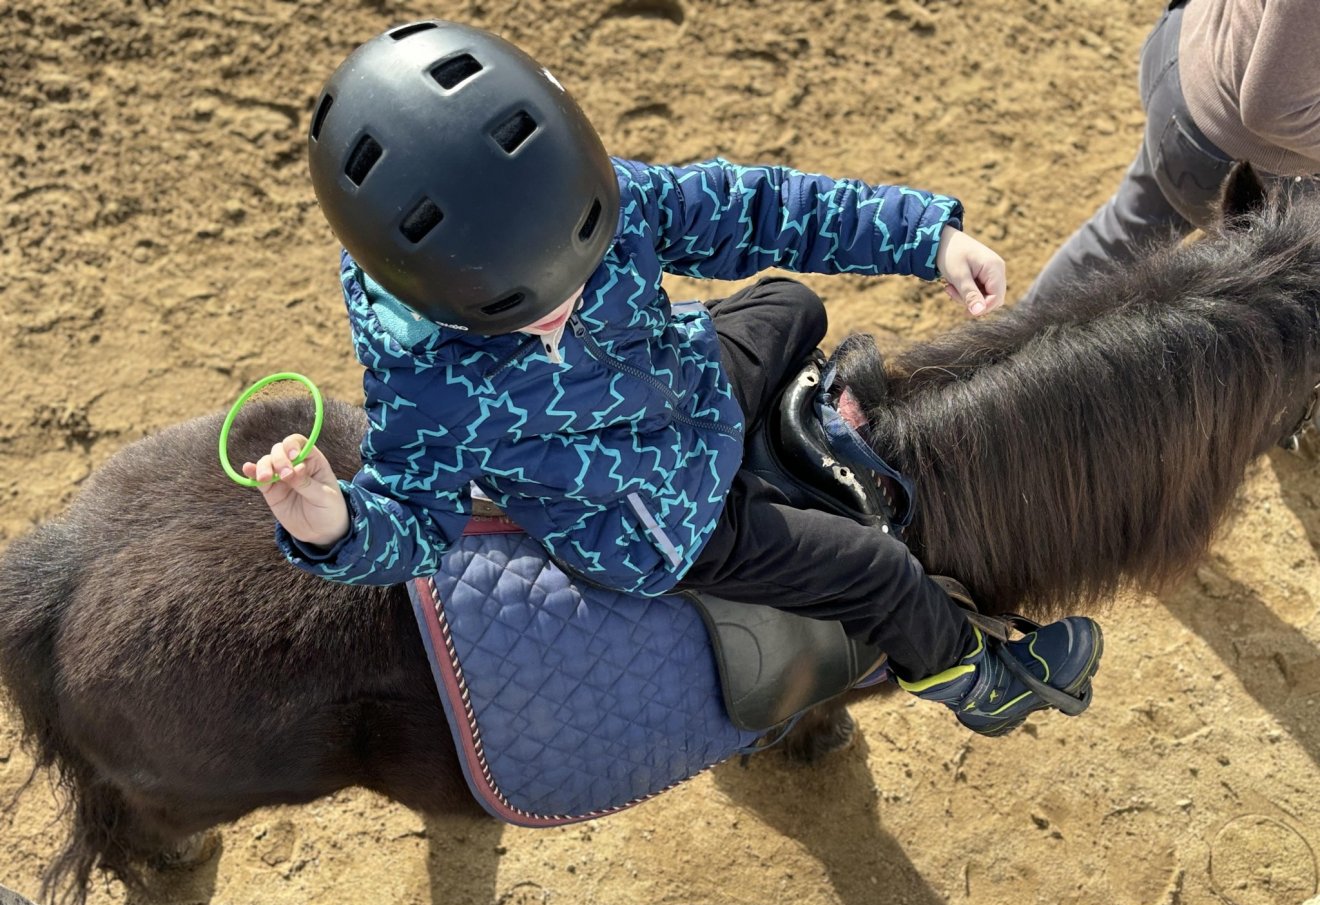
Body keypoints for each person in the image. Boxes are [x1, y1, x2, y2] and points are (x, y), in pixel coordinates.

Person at [245, 20, 1102, 736]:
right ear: (425, 284)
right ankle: (975, 681)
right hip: (658, 521)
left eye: (584, 262)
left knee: (793, 301)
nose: (566, 306)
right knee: (872, 570)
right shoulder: (429, 387)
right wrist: (336, 525)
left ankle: (772, 444)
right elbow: (417, 521)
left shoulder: (606, 197)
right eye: (522, 310)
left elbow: (759, 208)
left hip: (692, 388)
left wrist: (926, 239)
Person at [1025, 0, 1320, 308]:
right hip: (1224, 149)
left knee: (1121, 231)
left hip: (1188, 56)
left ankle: (1010, 349)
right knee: (1255, 296)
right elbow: (1273, 108)